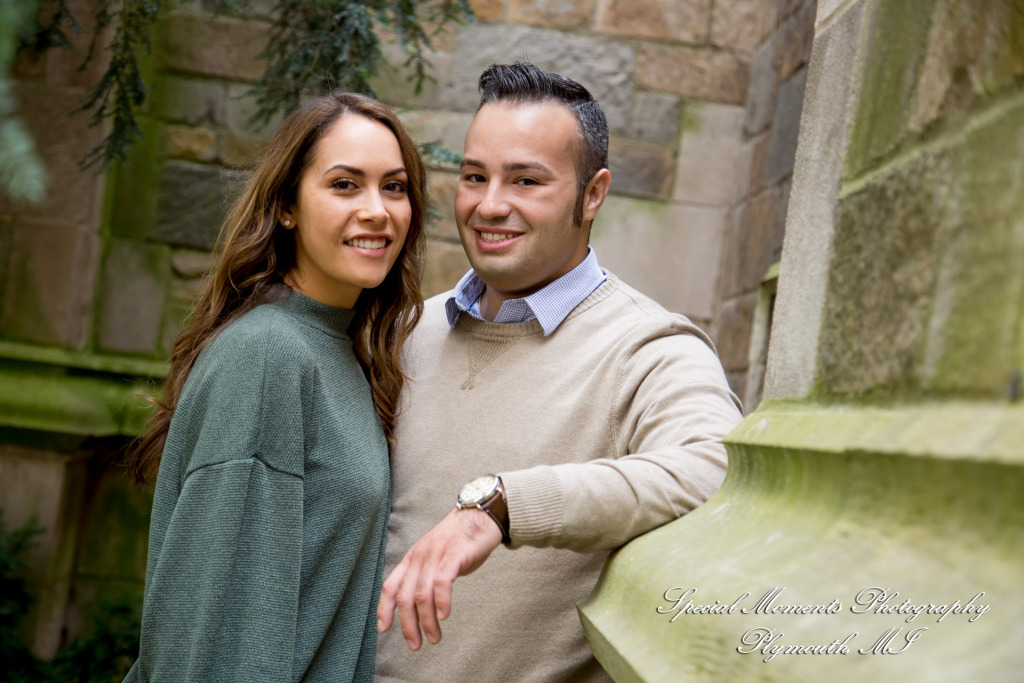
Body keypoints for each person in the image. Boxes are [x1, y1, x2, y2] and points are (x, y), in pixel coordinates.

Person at [374, 63, 744, 681]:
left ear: (592, 194)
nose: (491, 205)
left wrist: (502, 506)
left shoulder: (649, 347)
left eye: (526, 180)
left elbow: (718, 469)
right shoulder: (406, 330)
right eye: (474, 176)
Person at [122, 92, 427, 682]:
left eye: (394, 187)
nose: (378, 210)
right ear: (287, 205)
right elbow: (217, 633)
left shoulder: (343, 353)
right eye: (345, 185)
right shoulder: (268, 356)